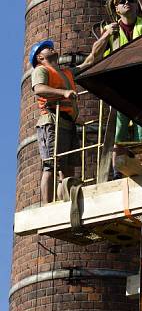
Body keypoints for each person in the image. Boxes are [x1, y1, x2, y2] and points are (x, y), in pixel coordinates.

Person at [94, 0, 142, 172]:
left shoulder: (140, 24)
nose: (127, 3)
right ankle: (115, 172)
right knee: (119, 132)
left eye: (130, 0)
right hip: (120, 86)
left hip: (141, 83)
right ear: (116, 9)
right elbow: (95, 55)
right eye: (123, 1)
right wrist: (105, 37)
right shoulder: (111, 31)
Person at [30, 39, 95, 204]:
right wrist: (63, 92)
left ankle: (65, 203)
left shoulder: (65, 72)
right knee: (51, 165)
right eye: (46, 48)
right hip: (51, 120)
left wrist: (105, 36)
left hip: (68, 123)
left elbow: (90, 61)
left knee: (67, 168)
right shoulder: (41, 70)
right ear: (39, 57)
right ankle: (48, 206)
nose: (51, 49)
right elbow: (39, 89)